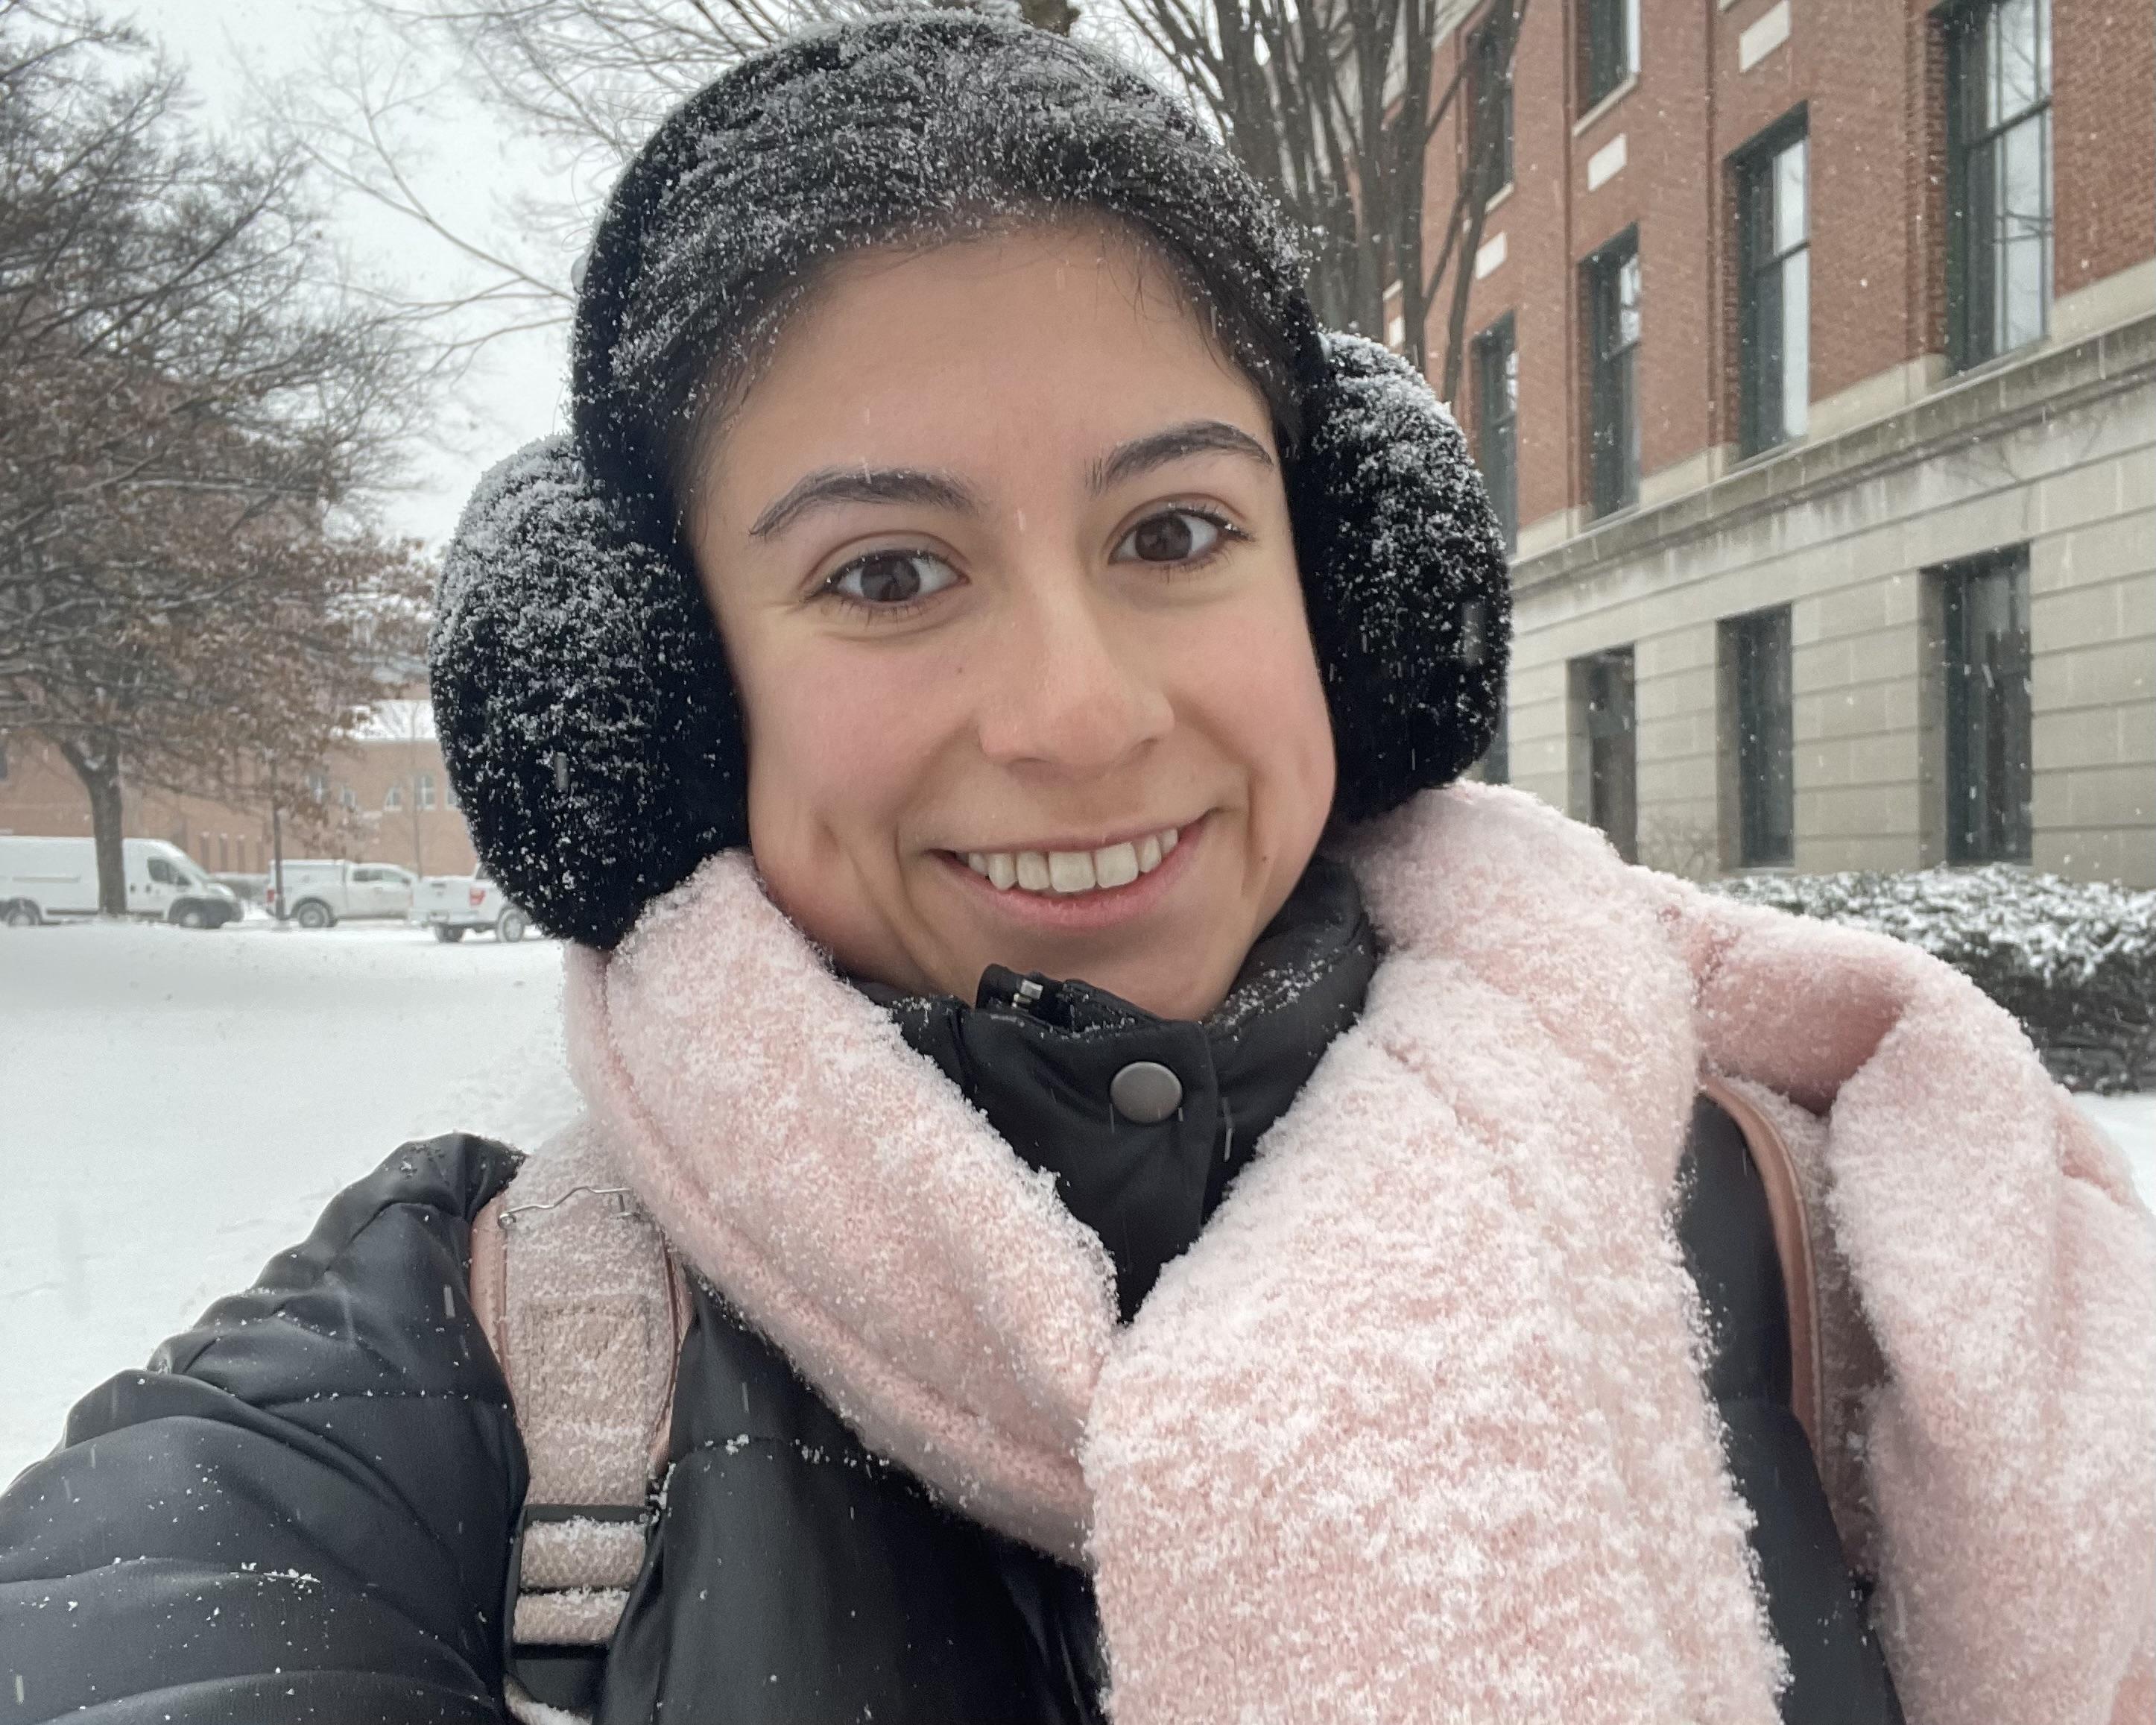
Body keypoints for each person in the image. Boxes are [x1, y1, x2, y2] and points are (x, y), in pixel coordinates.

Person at [1, 16, 2149, 1725]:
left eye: (1175, 531)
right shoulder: (448, 1377)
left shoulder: (1857, 1232)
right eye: (890, 568)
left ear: (1353, 591)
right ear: (657, 692)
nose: (1079, 705)